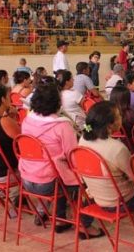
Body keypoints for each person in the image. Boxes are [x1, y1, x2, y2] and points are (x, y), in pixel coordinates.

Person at [19, 81, 100, 237]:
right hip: (48, 183)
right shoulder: (62, 126)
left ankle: (60, 219)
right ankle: (85, 225)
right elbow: (73, 157)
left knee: (60, 171)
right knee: (85, 179)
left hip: (27, 178)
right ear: (57, 102)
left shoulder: (27, 120)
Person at [78, 101, 134, 210]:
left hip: (97, 197)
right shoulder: (117, 148)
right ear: (110, 125)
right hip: (121, 202)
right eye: (119, 116)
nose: (121, 117)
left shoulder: (83, 139)